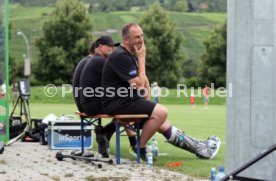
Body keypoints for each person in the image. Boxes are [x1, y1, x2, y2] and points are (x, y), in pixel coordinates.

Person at [102, 23, 221, 161]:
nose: (141, 40)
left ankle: (199, 148)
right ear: (126, 40)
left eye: (142, 36)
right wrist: (142, 58)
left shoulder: (130, 55)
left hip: (128, 101)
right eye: (136, 37)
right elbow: (139, 85)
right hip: (117, 103)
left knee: (162, 120)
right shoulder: (120, 56)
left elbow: (143, 80)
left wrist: (146, 97)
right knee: (161, 112)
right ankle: (139, 147)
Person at [74, 35, 136, 158]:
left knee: (124, 104)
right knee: (126, 106)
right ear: (100, 47)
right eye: (110, 47)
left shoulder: (92, 60)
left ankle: (108, 133)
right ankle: (133, 144)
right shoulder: (101, 61)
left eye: (114, 47)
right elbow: (122, 81)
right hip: (90, 106)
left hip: (86, 103)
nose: (113, 50)